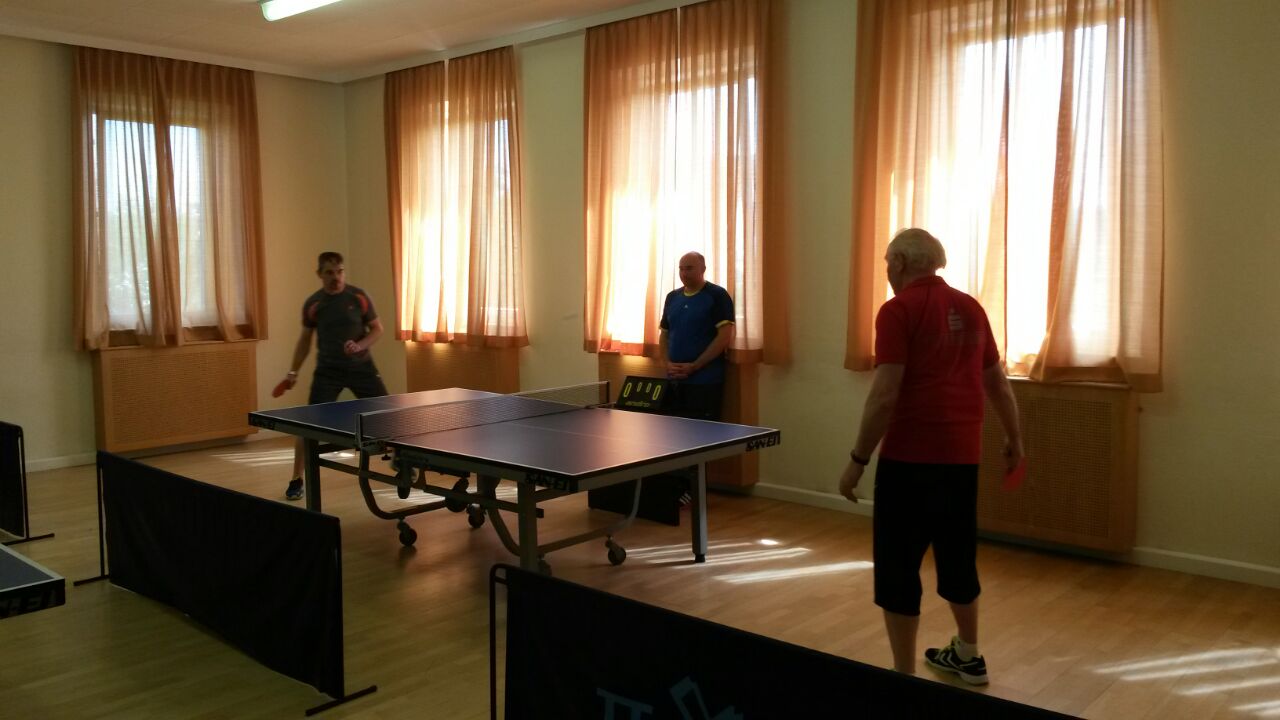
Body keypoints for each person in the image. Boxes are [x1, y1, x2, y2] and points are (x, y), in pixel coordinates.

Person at [838, 228, 1022, 685]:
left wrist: (858, 460)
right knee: (958, 558)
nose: (886, 270)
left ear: (900, 262)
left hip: (909, 462)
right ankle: (969, 655)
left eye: (887, 262)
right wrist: (1015, 439)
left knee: (898, 568)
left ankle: (903, 673)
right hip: (961, 460)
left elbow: (884, 395)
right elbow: (998, 384)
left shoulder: (897, 310)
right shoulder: (972, 307)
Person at [277, 251, 387, 500]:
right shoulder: (314, 304)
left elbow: (377, 329)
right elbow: (304, 341)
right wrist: (293, 372)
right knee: (308, 425)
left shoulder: (359, 297)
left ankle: (402, 463)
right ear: (319, 274)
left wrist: (360, 346)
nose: (336, 277)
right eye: (329, 272)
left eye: (340, 272)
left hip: (362, 369)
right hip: (328, 372)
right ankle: (296, 479)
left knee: (389, 417)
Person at [658, 251, 736, 421]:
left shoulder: (717, 295)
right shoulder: (672, 297)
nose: (684, 273)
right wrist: (667, 364)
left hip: (705, 382)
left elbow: (724, 336)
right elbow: (664, 335)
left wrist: (695, 366)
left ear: (703, 269)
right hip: (674, 381)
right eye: (681, 269)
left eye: (689, 268)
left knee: (703, 432)